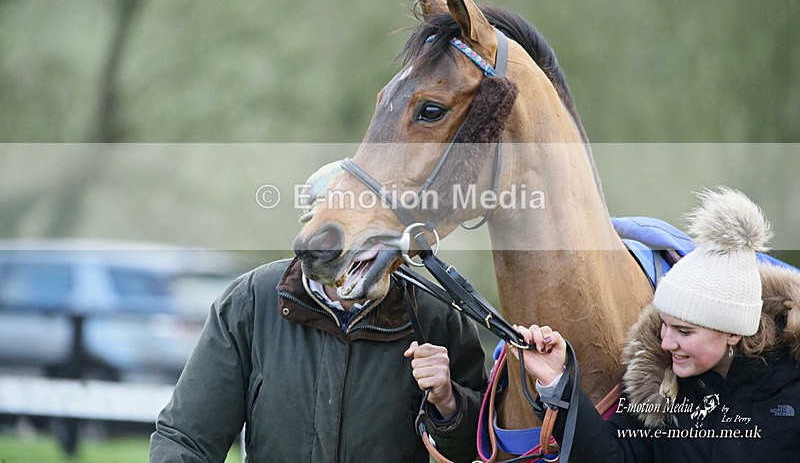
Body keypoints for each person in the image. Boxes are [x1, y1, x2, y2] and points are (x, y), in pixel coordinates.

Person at [149, 162, 487, 462]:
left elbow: (476, 448)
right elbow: (187, 438)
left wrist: (448, 402)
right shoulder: (252, 300)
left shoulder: (437, 316)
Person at [511, 186, 800, 461]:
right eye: (665, 324)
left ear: (734, 333)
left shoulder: (791, 381)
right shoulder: (660, 383)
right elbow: (612, 457)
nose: (665, 342)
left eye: (684, 331)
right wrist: (555, 381)